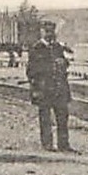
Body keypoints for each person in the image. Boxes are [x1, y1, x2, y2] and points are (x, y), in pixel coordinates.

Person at [27, 19, 75, 151]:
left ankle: (63, 145)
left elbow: (64, 64)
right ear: (42, 32)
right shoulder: (36, 48)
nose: (50, 34)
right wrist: (36, 89)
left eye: (52, 31)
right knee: (45, 119)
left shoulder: (58, 47)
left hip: (59, 88)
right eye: (47, 31)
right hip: (44, 89)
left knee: (62, 118)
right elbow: (31, 71)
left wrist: (63, 63)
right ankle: (47, 145)